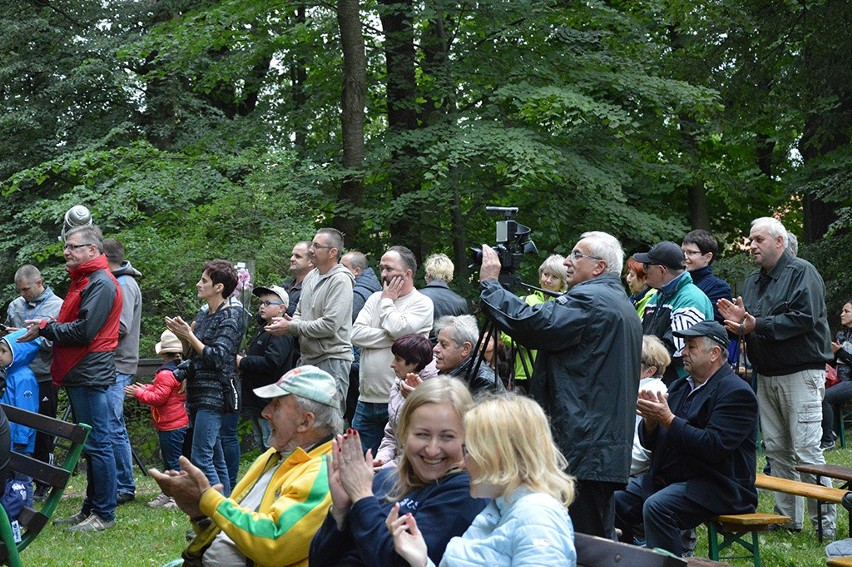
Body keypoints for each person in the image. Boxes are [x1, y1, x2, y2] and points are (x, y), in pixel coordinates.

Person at [479, 232, 642, 538]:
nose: (567, 261)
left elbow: (533, 325)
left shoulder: (591, 301)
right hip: (598, 442)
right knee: (592, 536)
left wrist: (491, 286)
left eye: (577, 255)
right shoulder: (615, 300)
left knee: (582, 540)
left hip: (583, 443)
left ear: (599, 267)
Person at [151, 365, 341, 567]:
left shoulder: (325, 473)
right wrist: (199, 513)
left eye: (276, 405)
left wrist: (207, 497)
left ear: (305, 422)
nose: (266, 412)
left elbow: (272, 544)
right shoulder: (273, 456)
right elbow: (234, 529)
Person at [718, 216, 835, 537]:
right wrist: (739, 326)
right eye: (750, 240)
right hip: (766, 374)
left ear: (779, 242)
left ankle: (824, 526)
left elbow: (805, 318)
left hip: (800, 373)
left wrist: (757, 325)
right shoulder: (752, 281)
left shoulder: (803, 272)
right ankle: (788, 523)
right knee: (777, 449)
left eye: (758, 240)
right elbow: (749, 323)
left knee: (807, 451)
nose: (751, 246)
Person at [614, 321, 759, 557]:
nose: (683, 352)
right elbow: (653, 443)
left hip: (719, 485)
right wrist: (651, 423)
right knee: (615, 498)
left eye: (691, 347)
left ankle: (667, 564)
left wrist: (668, 419)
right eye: (684, 346)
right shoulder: (681, 385)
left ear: (714, 353)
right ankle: (628, 561)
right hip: (673, 478)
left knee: (658, 507)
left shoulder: (736, 392)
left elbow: (714, 446)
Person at [309, 377, 488, 566]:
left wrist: (362, 497)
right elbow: (318, 561)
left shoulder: (465, 493)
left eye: (447, 436)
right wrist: (340, 510)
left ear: (467, 438)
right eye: (422, 434)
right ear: (403, 433)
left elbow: (396, 563)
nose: (432, 449)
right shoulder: (384, 479)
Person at [388, 394, 577, 566]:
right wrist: (421, 561)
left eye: (469, 450)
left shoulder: (537, 515)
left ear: (499, 455)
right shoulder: (501, 509)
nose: (462, 464)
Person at [19, 224, 123, 532]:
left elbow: (84, 331)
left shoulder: (101, 282)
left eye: (73, 246)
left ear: (92, 250)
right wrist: (47, 323)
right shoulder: (86, 280)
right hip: (80, 371)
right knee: (89, 444)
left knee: (99, 443)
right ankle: (90, 508)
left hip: (89, 371)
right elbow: (75, 323)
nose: (66, 251)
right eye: (66, 247)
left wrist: (47, 328)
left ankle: (104, 514)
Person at [166, 259, 247, 497]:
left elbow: (219, 357)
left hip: (215, 395)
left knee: (201, 456)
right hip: (198, 393)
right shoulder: (203, 316)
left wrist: (189, 335)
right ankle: (228, 513)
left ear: (219, 287)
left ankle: (216, 513)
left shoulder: (232, 317)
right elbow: (195, 353)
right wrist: (182, 337)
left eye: (204, 281)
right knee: (216, 457)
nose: (198, 285)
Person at [351, 246, 434, 455]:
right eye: (381, 268)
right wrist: (394, 338)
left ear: (408, 274)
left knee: (395, 464)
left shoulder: (422, 303)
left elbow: (398, 329)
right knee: (359, 463)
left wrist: (388, 301)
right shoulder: (373, 298)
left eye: (389, 268)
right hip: (366, 399)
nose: (384, 274)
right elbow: (356, 334)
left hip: (400, 399)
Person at [266, 228, 354, 414]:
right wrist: (293, 324)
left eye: (316, 246)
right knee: (305, 419)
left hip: (332, 360)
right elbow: (299, 311)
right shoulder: (311, 276)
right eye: (311, 244)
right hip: (307, 360)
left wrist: (292, 326)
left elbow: (330, 325)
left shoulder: (341, 280)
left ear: (333, 252)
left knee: (329, 420)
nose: (311, 250)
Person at [4, 264, 63, 500]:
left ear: (39, 283)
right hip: (13, 377)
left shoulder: (57, 306)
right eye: (19, 290)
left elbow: (59, 342)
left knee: (43, 430)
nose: (22, 294)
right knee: (16, 428)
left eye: (26, 289)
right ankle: (15, 477)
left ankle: (43, 481)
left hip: (44, 375)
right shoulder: (15, 306)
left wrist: (33, 334)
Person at [634, 241, 713, 384]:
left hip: (679, 384)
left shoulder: (691, 299)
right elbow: (638, 336)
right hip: (655, 379)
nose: (644, 271)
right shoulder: (656, 297)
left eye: (646, 267)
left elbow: (678, 349)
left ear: (662, 270)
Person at [125, 329, 188, 509]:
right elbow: (164, 391)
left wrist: (138, 393)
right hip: (175, 423)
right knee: (170, 460)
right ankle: (168, 493)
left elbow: (159, 399)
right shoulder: (177, 371)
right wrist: (146, 387)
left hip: (171, 425)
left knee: (173, 461)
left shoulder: (165, 374)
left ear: (162, 353)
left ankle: (177, 497)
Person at [103, 237, 142, 505]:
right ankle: (116, 484)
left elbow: (122, 327)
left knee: (114, 426)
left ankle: (125, 487)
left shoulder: (125, 285)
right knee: (109, 424)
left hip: (119, 364)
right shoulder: (116, 281)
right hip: (110, 364)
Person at [237, 285, 295, 451]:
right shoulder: (264, 329)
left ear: (281, 309)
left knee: (271, 443)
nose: (262, 306)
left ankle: (277, 476)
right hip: (257, 400)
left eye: (268, 303)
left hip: (269, 400)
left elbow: (271, 363)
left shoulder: (280, 333)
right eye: (261, 303)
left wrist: (243, 362)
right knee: (261, 441)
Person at [503, 254, 567, 392]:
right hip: (524, 373)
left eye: (554, 277)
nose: (548, 280)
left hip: (555, 375)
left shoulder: (567, 304)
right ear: (540, 276)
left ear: (563, 282)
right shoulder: (524, 301)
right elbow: (506, 333)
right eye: (546, 274)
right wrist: (527, 341)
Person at [374, 333, 438, 468]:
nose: (392, 364)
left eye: (398, 359)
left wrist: (417, 400)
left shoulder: (436, 389)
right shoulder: (399, 383)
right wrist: (383, 458)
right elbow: (392, 432)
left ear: (415, 363)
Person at [0, 329, 41, 507]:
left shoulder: (23, 378)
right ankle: (12, 512)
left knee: (22, 480)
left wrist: (22, 438)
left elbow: (28, 412)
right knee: (8, 479)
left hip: (19, 441)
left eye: (3, 351)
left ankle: (27, 512)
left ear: (19, 353)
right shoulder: (7, 374)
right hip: (8, 439)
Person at [341, 251, 382, 422]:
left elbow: (344, 327)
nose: (338, 271)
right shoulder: (373, 288)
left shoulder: (357, 293)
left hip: (355, 362)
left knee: (354, 416)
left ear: (356, 271)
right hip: (363, 361)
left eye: (343, 267)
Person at [631, 335, 671, 476]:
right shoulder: (632, 388)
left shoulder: (652, 393)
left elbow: (642, 453)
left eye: (632, 358)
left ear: (650, 371)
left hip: (634, 475)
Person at [433, 315, 504, 396]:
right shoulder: (455, 371)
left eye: (443, 344)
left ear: (465, 349)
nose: (435, 349)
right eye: (437, 342)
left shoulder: (483, 381)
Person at [822, 299, 852, 450]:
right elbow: (835, 362)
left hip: (850, 381)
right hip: (838, 379)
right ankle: (831, 433)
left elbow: (844, 357)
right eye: (842, 311)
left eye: (846, 311)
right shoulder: (840, 334)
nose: (842, 314)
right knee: (817, 392)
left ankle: (827, 440)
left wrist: (840, 351)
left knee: (825, 397)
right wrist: (832, 354)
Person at [418, 254, 467, 343]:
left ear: (428, 274)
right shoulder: (460, 302)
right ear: (449, 277)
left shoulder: (417, 296)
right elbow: (463, 334)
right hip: (448, 352)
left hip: (420, 350)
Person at [282, 241, 314, 317]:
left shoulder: (313, 289)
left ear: (311, 262)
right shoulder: (285, 285)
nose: (292, 259)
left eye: (298, 256)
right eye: (292, 255)